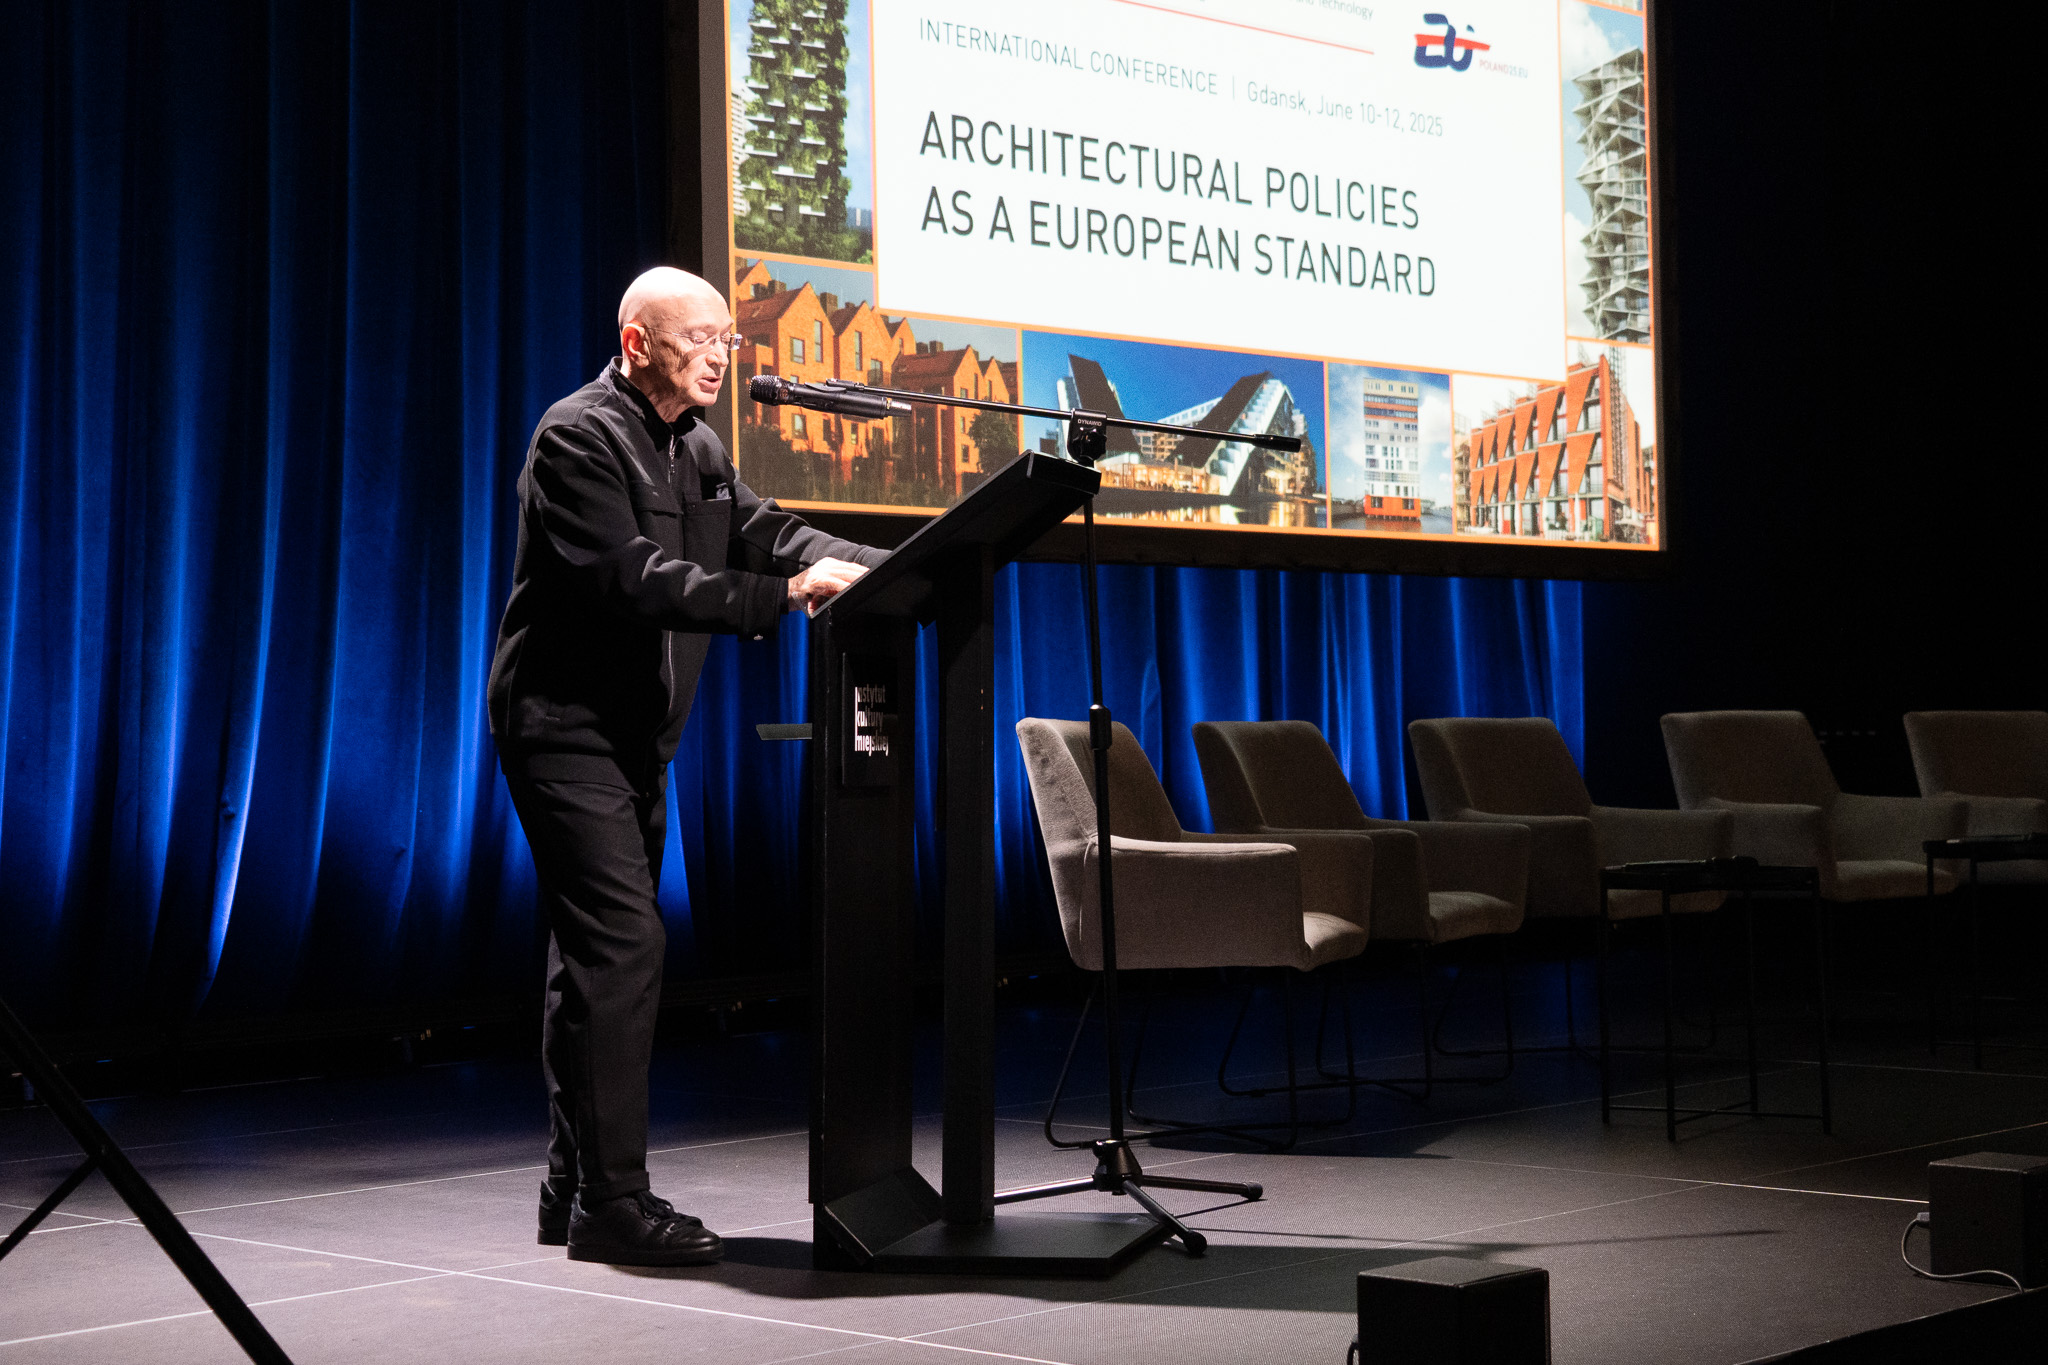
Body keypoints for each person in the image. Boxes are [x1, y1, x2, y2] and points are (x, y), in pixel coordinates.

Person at [487, 266, 883, 1267]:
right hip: (562, 727)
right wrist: (781, 595)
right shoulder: (576, 437)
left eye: (726, 339)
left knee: (589, 960)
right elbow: (633, 577)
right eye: (698, 338)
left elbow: (768, 530)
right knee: (622, 947)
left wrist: (889, 568)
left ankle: (571, 1186)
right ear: (637, 344)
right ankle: (613, 1203)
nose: (719, 355)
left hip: (637, 738)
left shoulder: (697, 445)